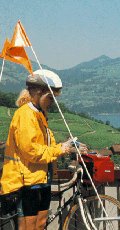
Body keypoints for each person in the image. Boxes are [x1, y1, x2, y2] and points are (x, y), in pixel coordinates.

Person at [0, 69, 87, 230]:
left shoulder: (40, 115)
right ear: (38, 92)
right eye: (50, 97)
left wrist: (69, 147)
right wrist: (61, 149)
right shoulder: (25, 115)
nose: (53, 101)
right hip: (26, 181)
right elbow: (31, 151)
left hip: (41, 179)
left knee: (40, 225)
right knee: (28, 227)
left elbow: (48, 147)